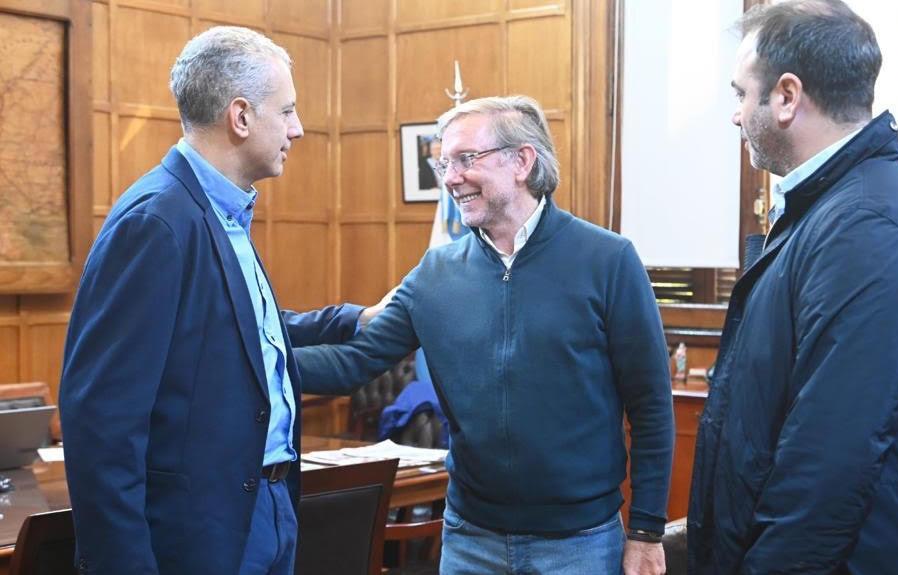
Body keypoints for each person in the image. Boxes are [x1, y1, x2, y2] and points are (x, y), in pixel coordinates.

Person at [295, 95, 675, 575]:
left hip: (579, 543)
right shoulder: (435, 272)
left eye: (466, 159)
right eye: (444, 163)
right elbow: (353, 363)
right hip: (469, 541)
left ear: (522, 161)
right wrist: (249, 356)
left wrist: (646, 531)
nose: (451, 178)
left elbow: (651, 405)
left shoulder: (609, 260)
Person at [59, 26, 385, 575]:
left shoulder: (220, 211)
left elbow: (242, 326)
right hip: (197, 531)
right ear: (240, 117)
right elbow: (102, 422)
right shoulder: (156, 223)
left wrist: (354, 319)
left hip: (265, 505)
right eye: (287, 111)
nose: (298, 129)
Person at [687, 1, 898, 572]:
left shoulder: (869, 227)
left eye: (741, 94)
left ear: (787, 96)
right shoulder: (830, 209)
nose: (736, 116)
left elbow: (829, 461)